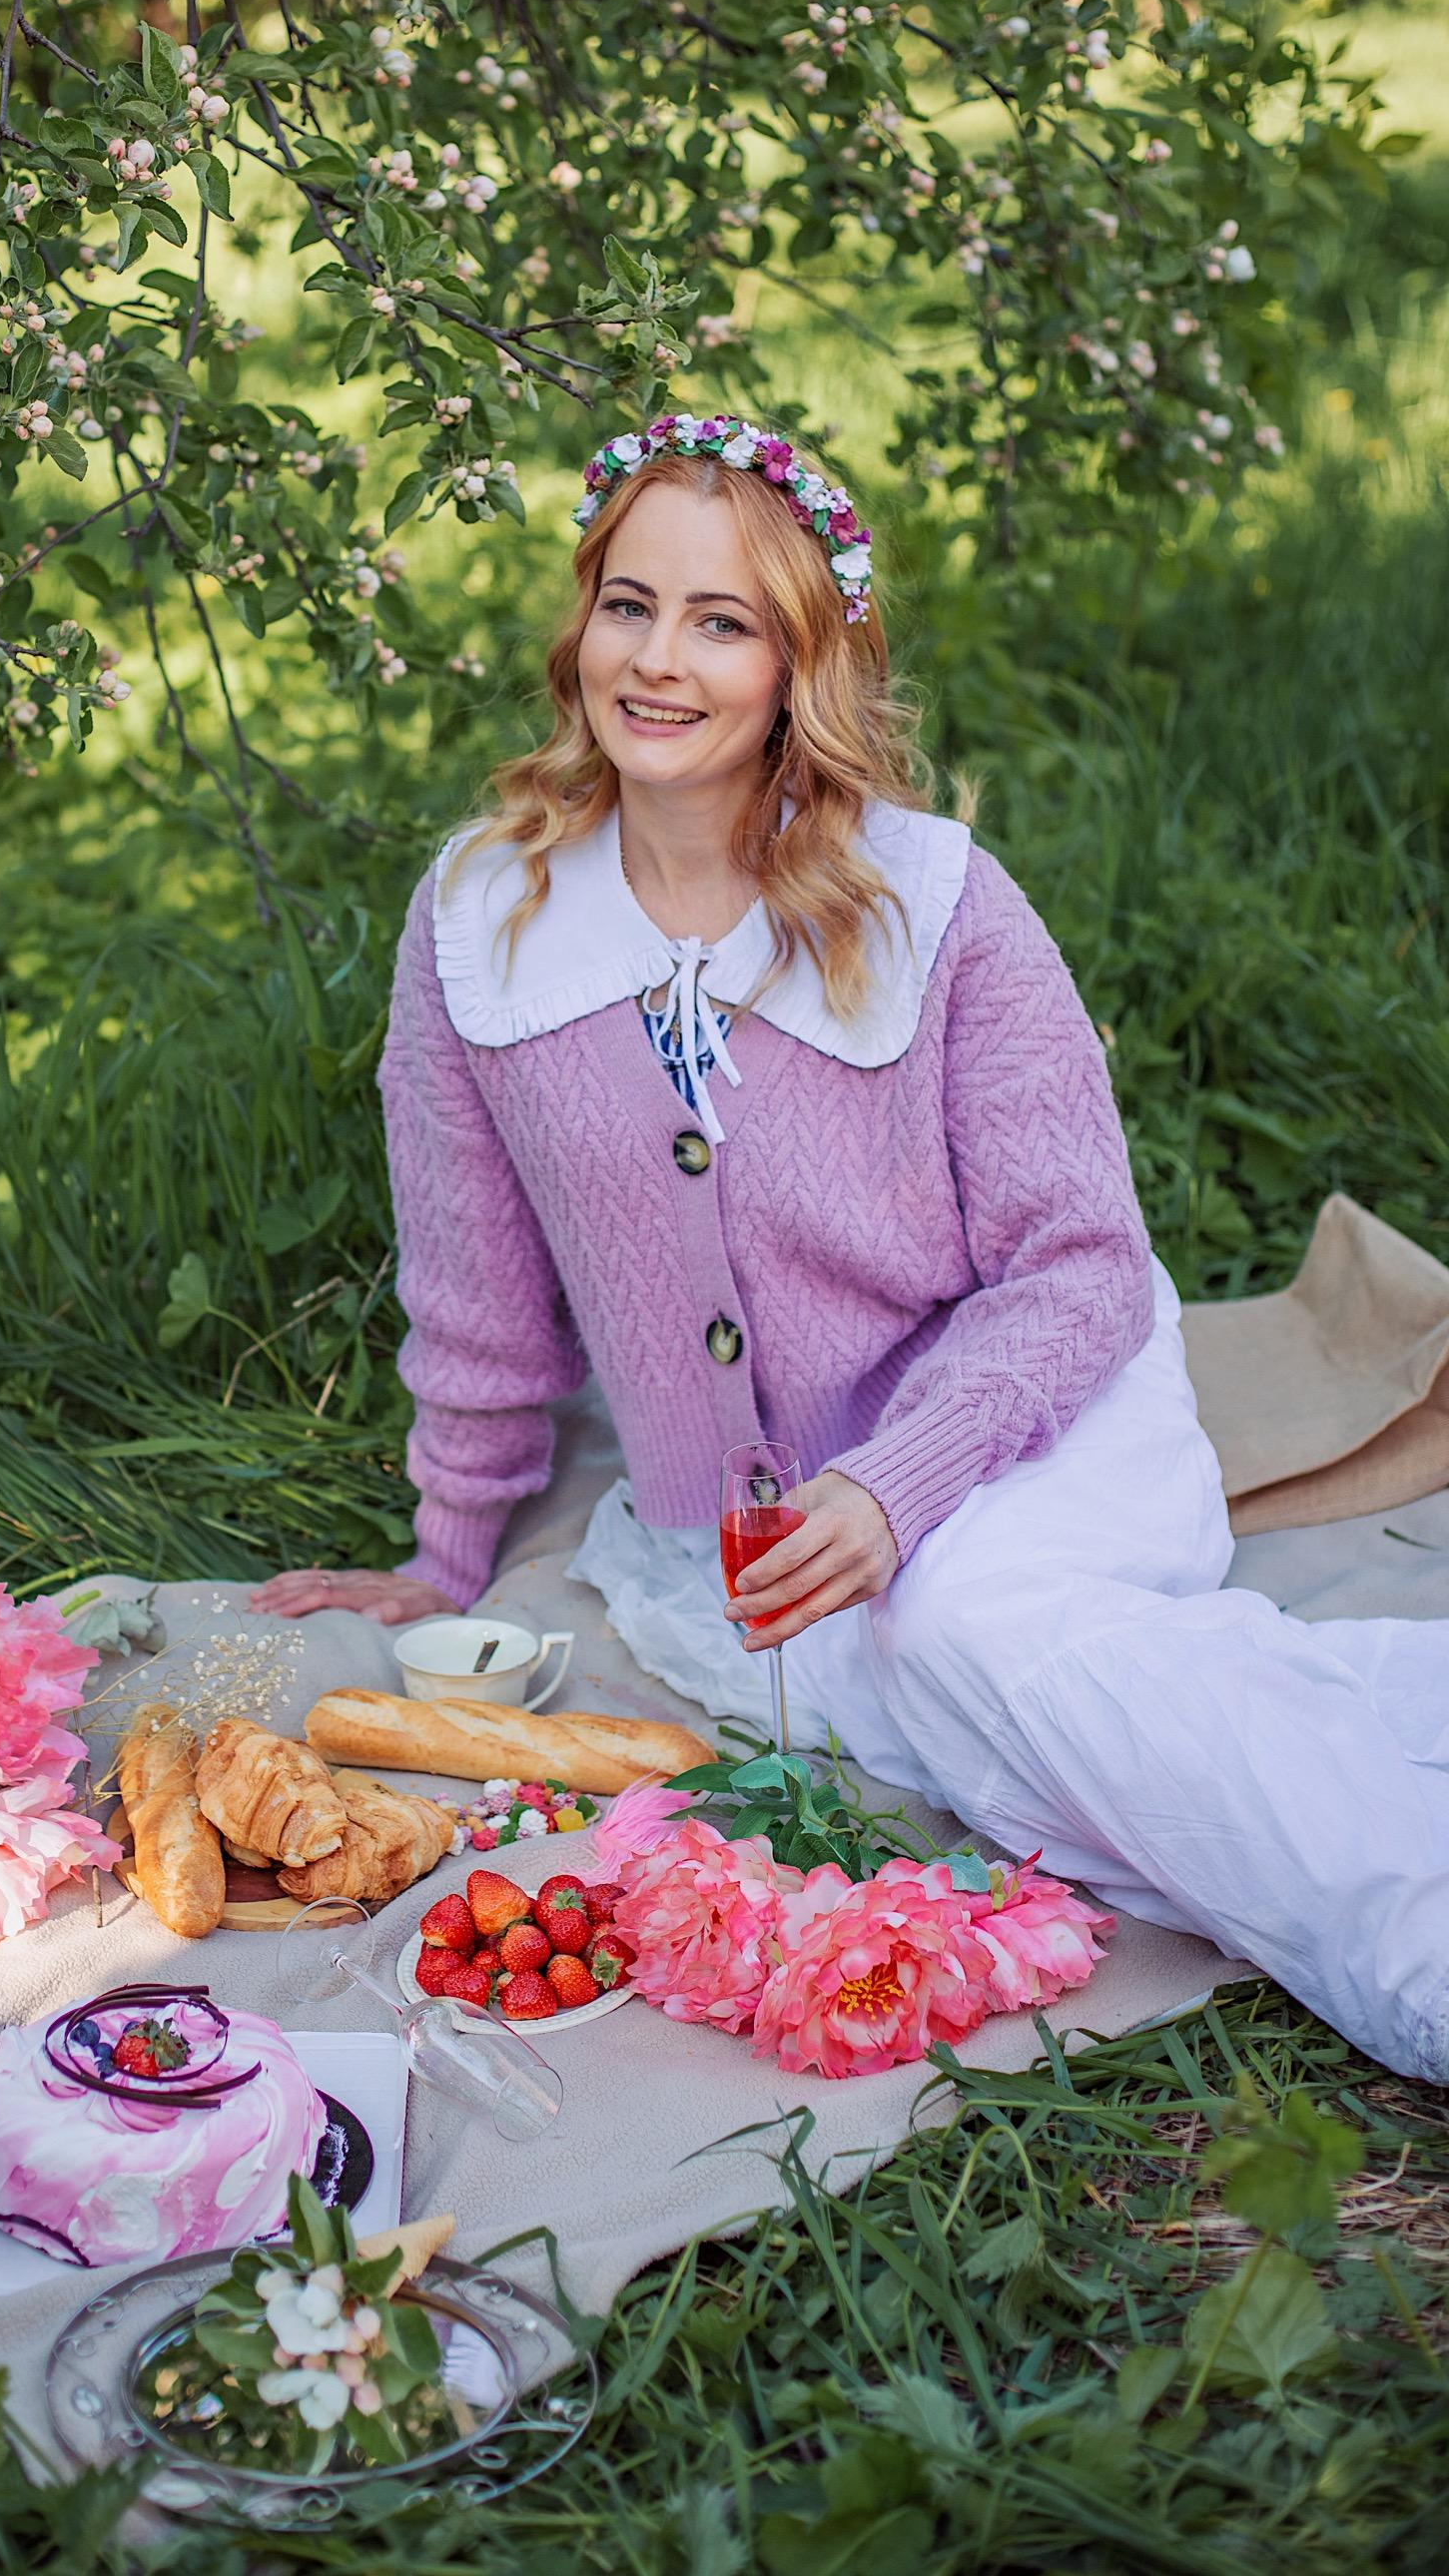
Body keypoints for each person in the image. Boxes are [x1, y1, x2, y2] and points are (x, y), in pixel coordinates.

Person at [253, 412, 1448, 2079]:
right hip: (751, 1549)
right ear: (579, 619)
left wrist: (903, 1484)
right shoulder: (480, 921)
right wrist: (452, 1555)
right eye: (628, 604)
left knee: (965, 1638)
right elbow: (474, 1294)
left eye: (722, 622)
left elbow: (1086, 1268)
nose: (658, 663)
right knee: (995, 1729)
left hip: (1033, 1433)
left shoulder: (935, 905)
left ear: (802, 662)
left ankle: (1418, 1959)